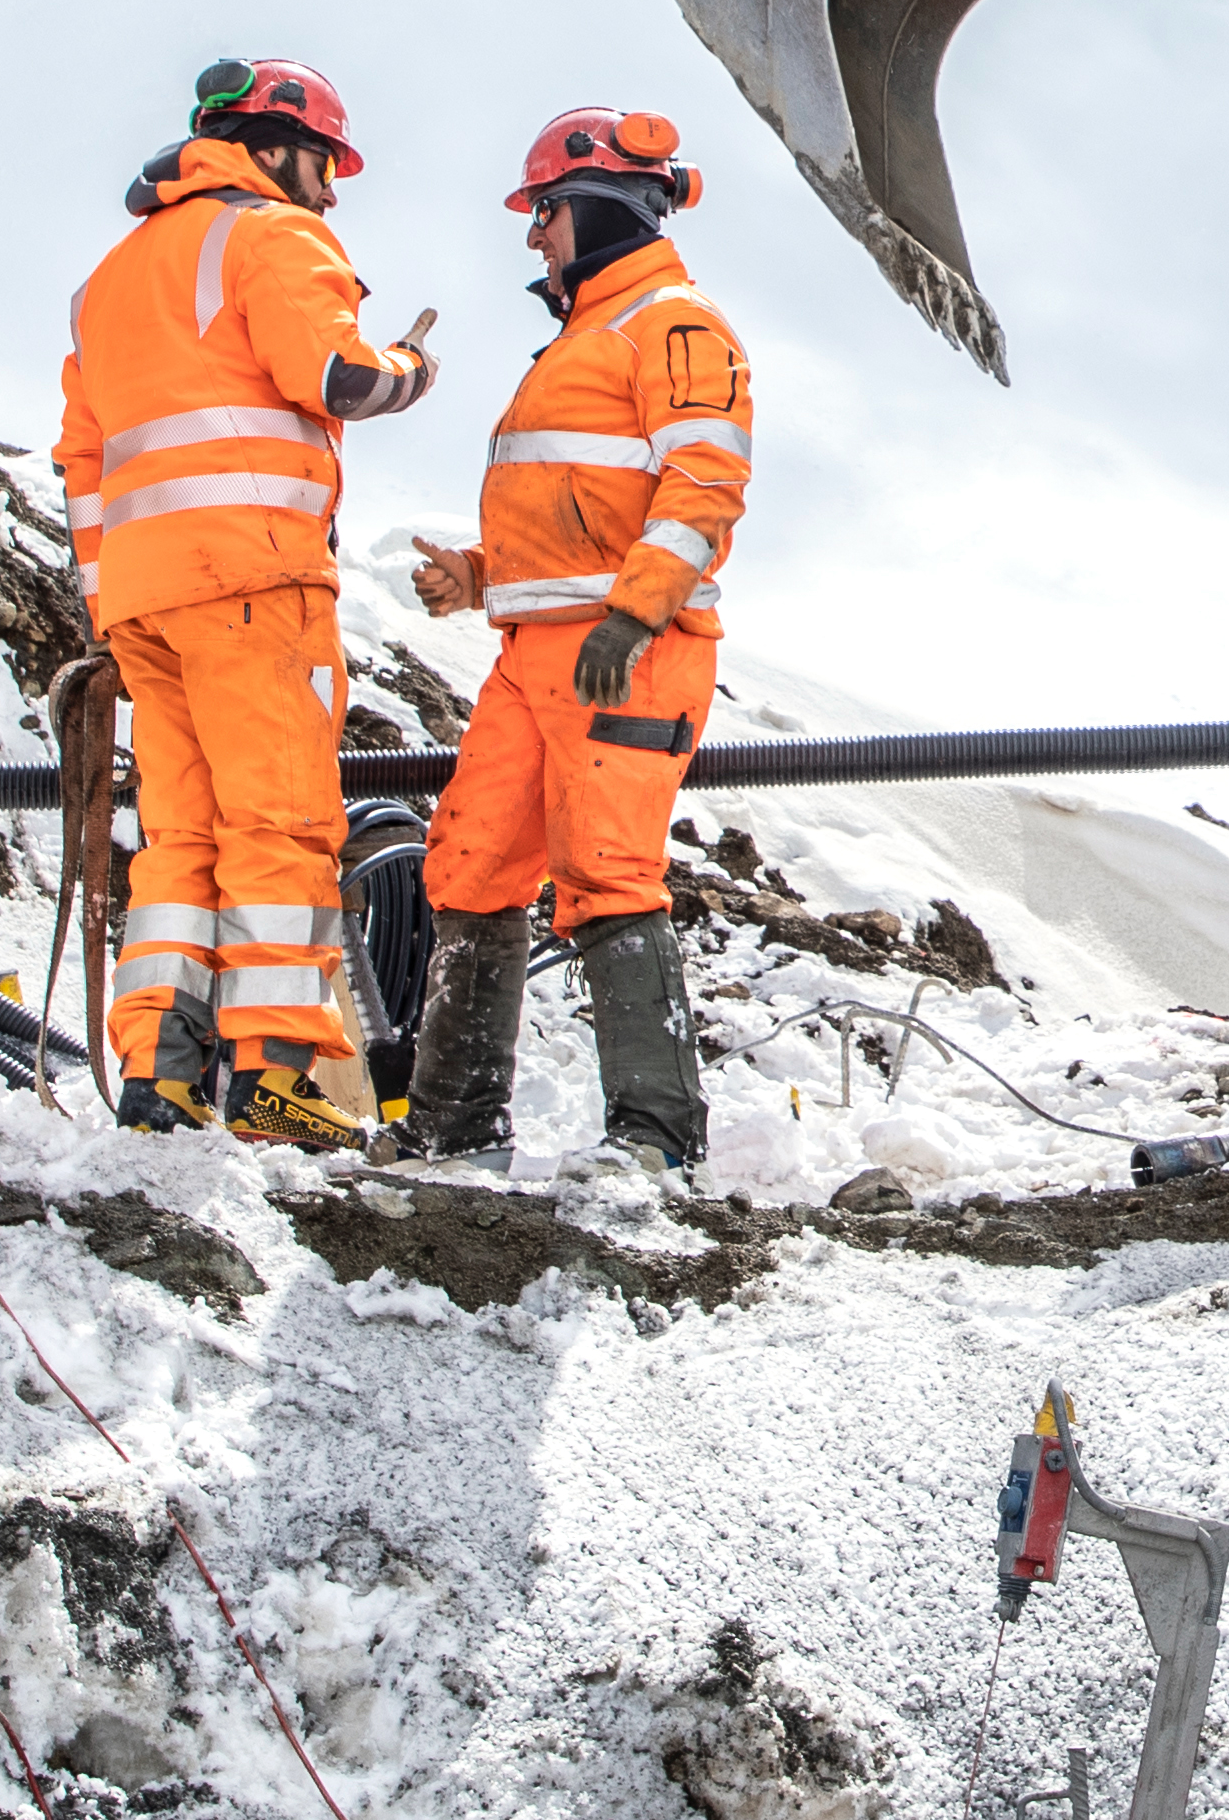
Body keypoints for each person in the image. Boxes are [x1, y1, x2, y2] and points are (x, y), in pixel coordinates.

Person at [57, 58, 430, 1136]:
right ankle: (275, 1074)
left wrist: (109, 609)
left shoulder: (112, 278)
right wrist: (409, 363)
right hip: (254, 580)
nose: (331, 190)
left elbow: (82, 460)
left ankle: (160, 1075)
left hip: (142, 603)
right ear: (275, 148)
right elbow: (336, 377)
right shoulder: (272, 235)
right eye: (325, 162)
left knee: (178, 837)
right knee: (279, 822)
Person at [399, 107, 752, 1173]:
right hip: (537, 654)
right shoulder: (585, 338)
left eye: (544, 211)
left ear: (601, 206)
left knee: (606, 873)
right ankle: (453, 1126)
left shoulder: (675, 326)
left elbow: (706, 487)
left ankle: (653, 1139)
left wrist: (638, 608)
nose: (533, 235)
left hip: (627, 650)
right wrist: (475, 575)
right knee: (468, 865)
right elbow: (573, 512)